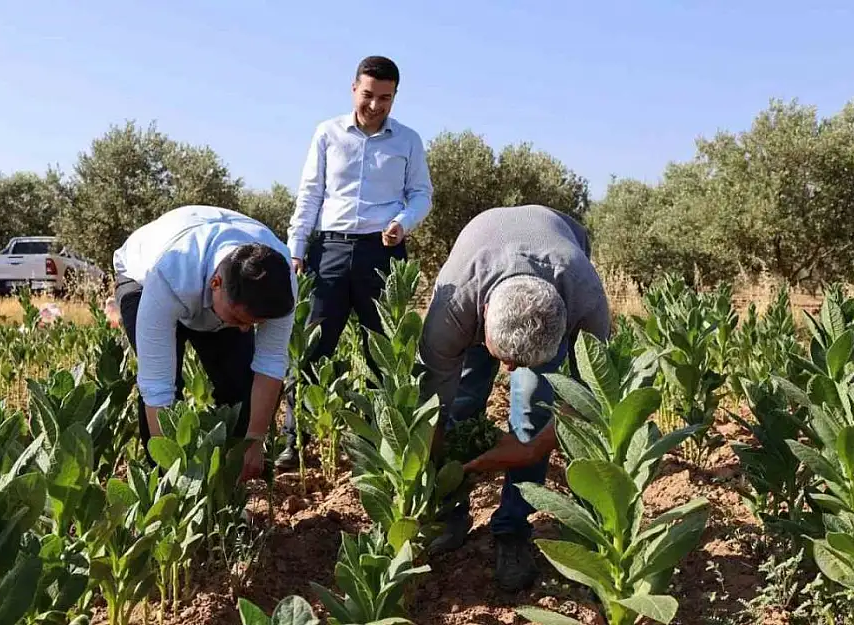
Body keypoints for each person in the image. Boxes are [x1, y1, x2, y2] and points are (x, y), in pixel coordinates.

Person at [417, 204, 610, 592]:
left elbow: (588, 397)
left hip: (557, 259)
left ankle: (512, 530)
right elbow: (431, 406)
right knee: (460, 401)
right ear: (482, 316)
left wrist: (533, 449)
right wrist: (448, 463)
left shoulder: (586, 300)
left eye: (519, 362)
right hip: (479, 259)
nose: (510, 371)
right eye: (504, 358)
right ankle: (448, 511)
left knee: (534, 405)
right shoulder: (452, 309)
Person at [277, 55, 433, 471]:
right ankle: (294, 441)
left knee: (385, 350)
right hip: (328, 251)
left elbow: (421, 194)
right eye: (369, 95)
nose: (376, 105)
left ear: (395, 96)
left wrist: (403, 223)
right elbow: (309, 195)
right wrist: (295, 249)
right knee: (310, 348)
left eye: (385, 98)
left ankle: (382, 442)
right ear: (353, 90)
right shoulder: (327, 134)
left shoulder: (409, 141)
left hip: (383, 255)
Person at [112, 205, 297, 482]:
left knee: (239, 385)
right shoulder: (169, 275)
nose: (246, 329)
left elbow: (270, 364)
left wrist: (255, 441)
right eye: (239, 318)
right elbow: (157, 387)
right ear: (216, 283)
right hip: (141, 277)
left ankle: (229, 488)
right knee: (166, 387)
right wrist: (177, 479)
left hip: (212, 281)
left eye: (255, 323)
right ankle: (163, 484)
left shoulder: (280, 282)